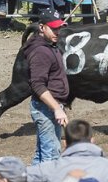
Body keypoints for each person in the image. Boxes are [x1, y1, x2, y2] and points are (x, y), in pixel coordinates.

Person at [18, 8, 71, 165]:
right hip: (46, 108)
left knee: (42, 153)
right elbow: (38, 85)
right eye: (53, 28)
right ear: (41, 27)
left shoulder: (47, 45)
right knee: (52, 156)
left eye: (59, 27)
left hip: (47, 107)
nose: (57, 32)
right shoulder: (41, 52)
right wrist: (56, 108)